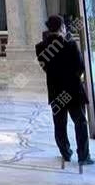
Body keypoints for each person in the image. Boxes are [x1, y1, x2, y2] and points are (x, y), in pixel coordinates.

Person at [35, 15, 92, 165]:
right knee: (80, 123)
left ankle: (66, 153)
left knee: (60, 125)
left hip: (56, 91)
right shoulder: (71, 45)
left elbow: (46, 68)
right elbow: (80, 67)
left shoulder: (40, 47)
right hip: (73, 90)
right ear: (62, 28)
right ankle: (83, 156)